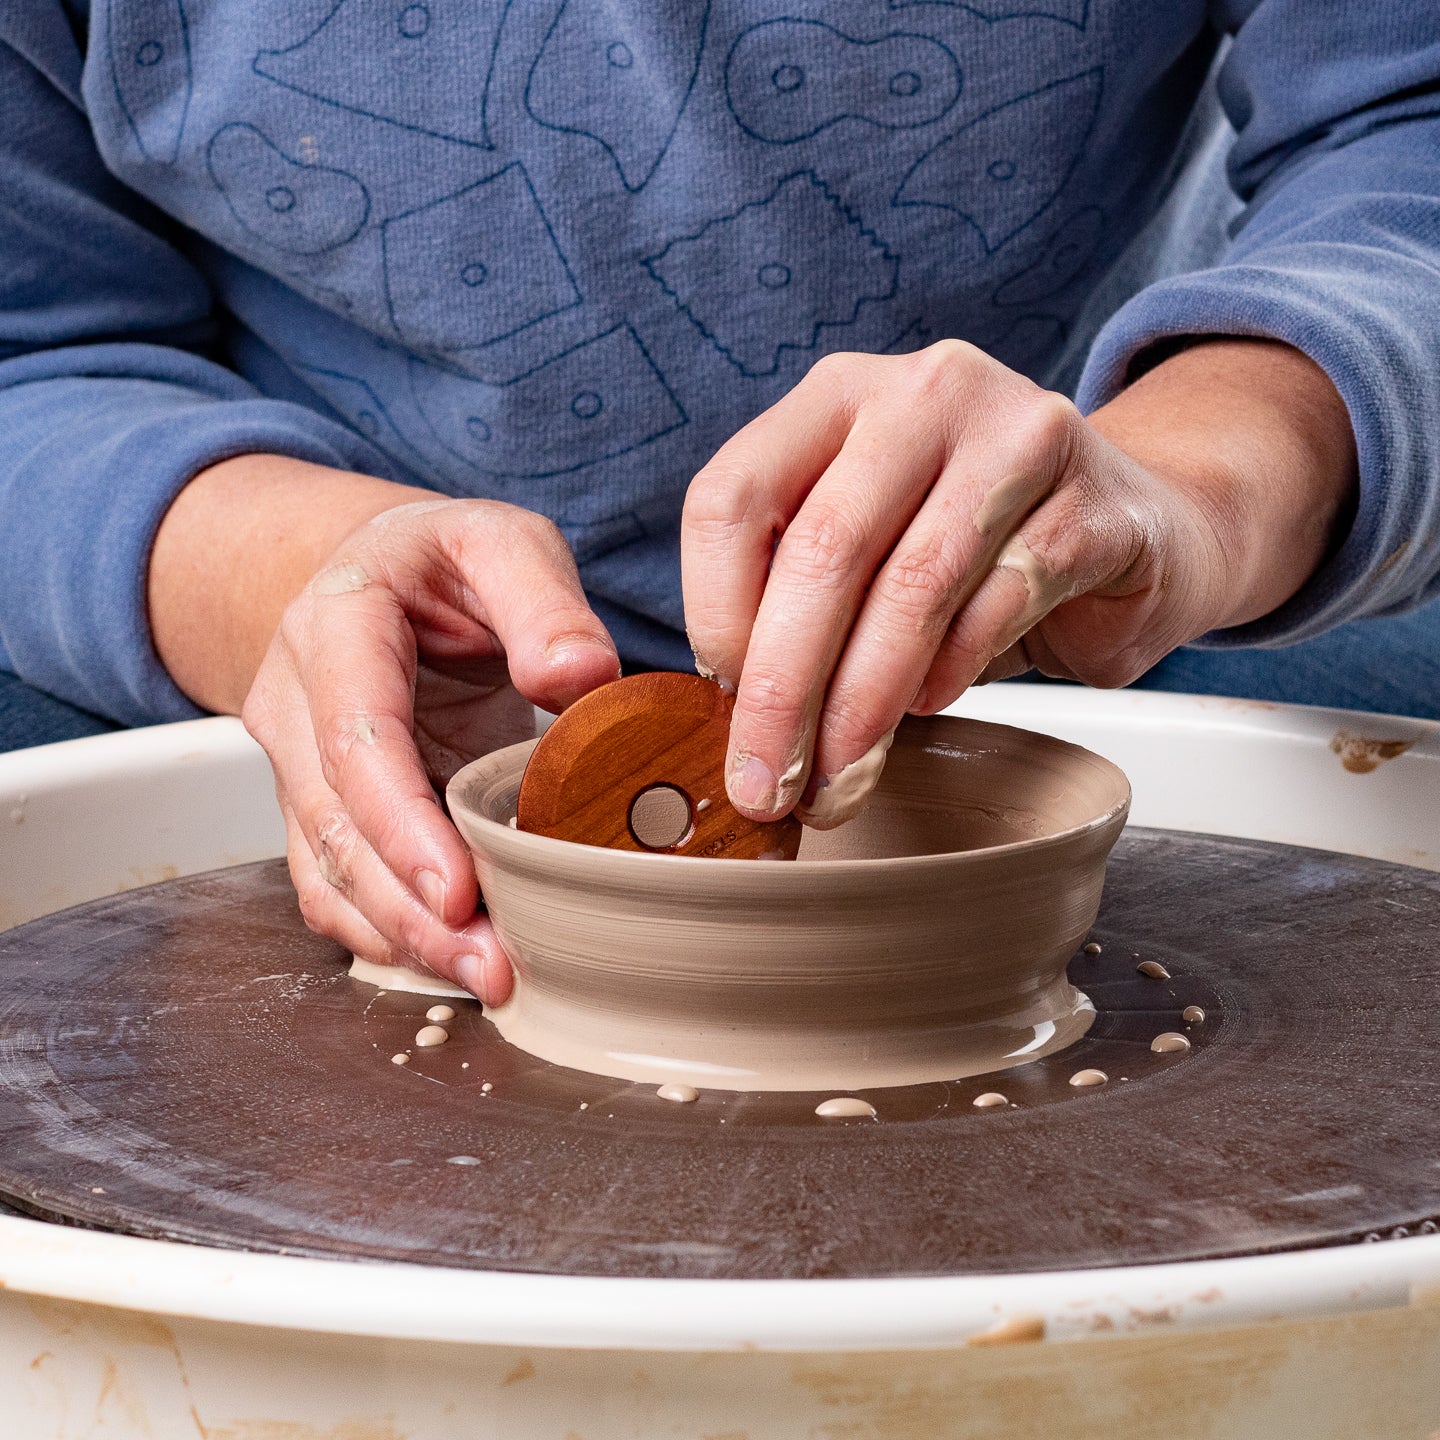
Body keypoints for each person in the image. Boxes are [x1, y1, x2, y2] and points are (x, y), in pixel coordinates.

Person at [2, 3, 1437, 1000]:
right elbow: (30, 351)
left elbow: (1402, 135)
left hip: (1088, 578)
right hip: (275, 611)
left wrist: (1187, 487)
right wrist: (291, 581)